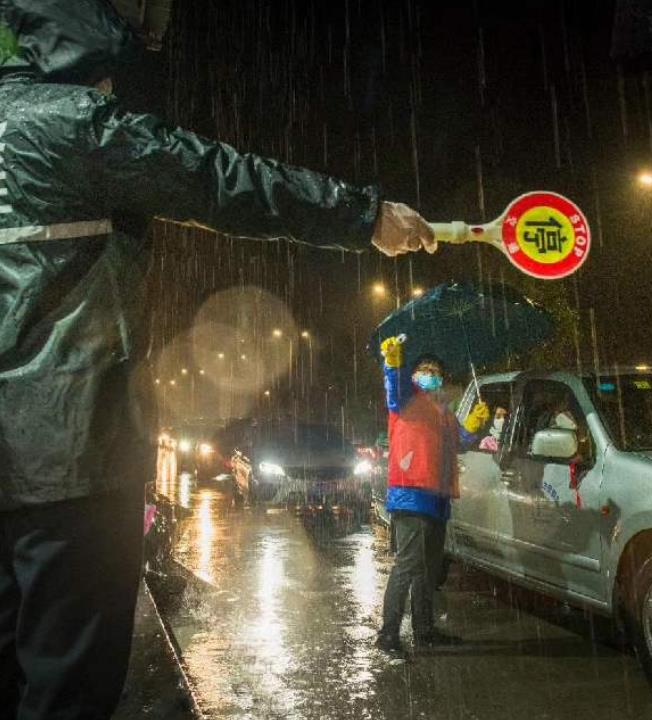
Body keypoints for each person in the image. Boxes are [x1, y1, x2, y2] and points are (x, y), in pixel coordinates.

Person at [0, 2, 434, 718]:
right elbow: (222, 180)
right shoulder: (74, 124)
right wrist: (362, 215)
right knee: (66, 685)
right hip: (70, 456)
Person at [375, 336, 488, 659]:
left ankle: (425, 632)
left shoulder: (443, 412)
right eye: (424, 369)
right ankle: (387, 635)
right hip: (411, 496)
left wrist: (475, 424)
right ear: (413, 375)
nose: (429, 373)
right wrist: (392, 362)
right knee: (407, 566)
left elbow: (460, 442)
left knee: (428, 569)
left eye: (435, 370)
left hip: (438, 499)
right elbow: (393, 388)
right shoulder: (405, 400)